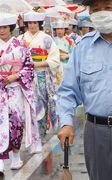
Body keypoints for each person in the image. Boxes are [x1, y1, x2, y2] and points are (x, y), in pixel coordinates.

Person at [57, 0, 112, 179]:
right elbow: (67, 91)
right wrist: (66, 122)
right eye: (96, 9)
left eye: (108, 8)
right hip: (97, 132)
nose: (102, 13)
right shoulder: (82, 47)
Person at [0, 13, 39, 173]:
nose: (1, 30)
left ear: (11, 28)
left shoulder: (21, 46)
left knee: (15, 123)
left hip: (15, 89)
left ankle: (16, 156)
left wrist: (16, 76)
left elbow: (29, 67)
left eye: (5, 27)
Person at [18, 11, 61, 152]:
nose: (32, 25)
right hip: (26, 76)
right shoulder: (20, 39)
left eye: (35, 23)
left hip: (42, 75)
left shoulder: (47, 39)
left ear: (39, 24)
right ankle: (31, 135)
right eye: (29, 23)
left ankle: (41, 133)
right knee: (27, 105)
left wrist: (38, 64)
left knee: (42, 102)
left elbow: (55, 58)